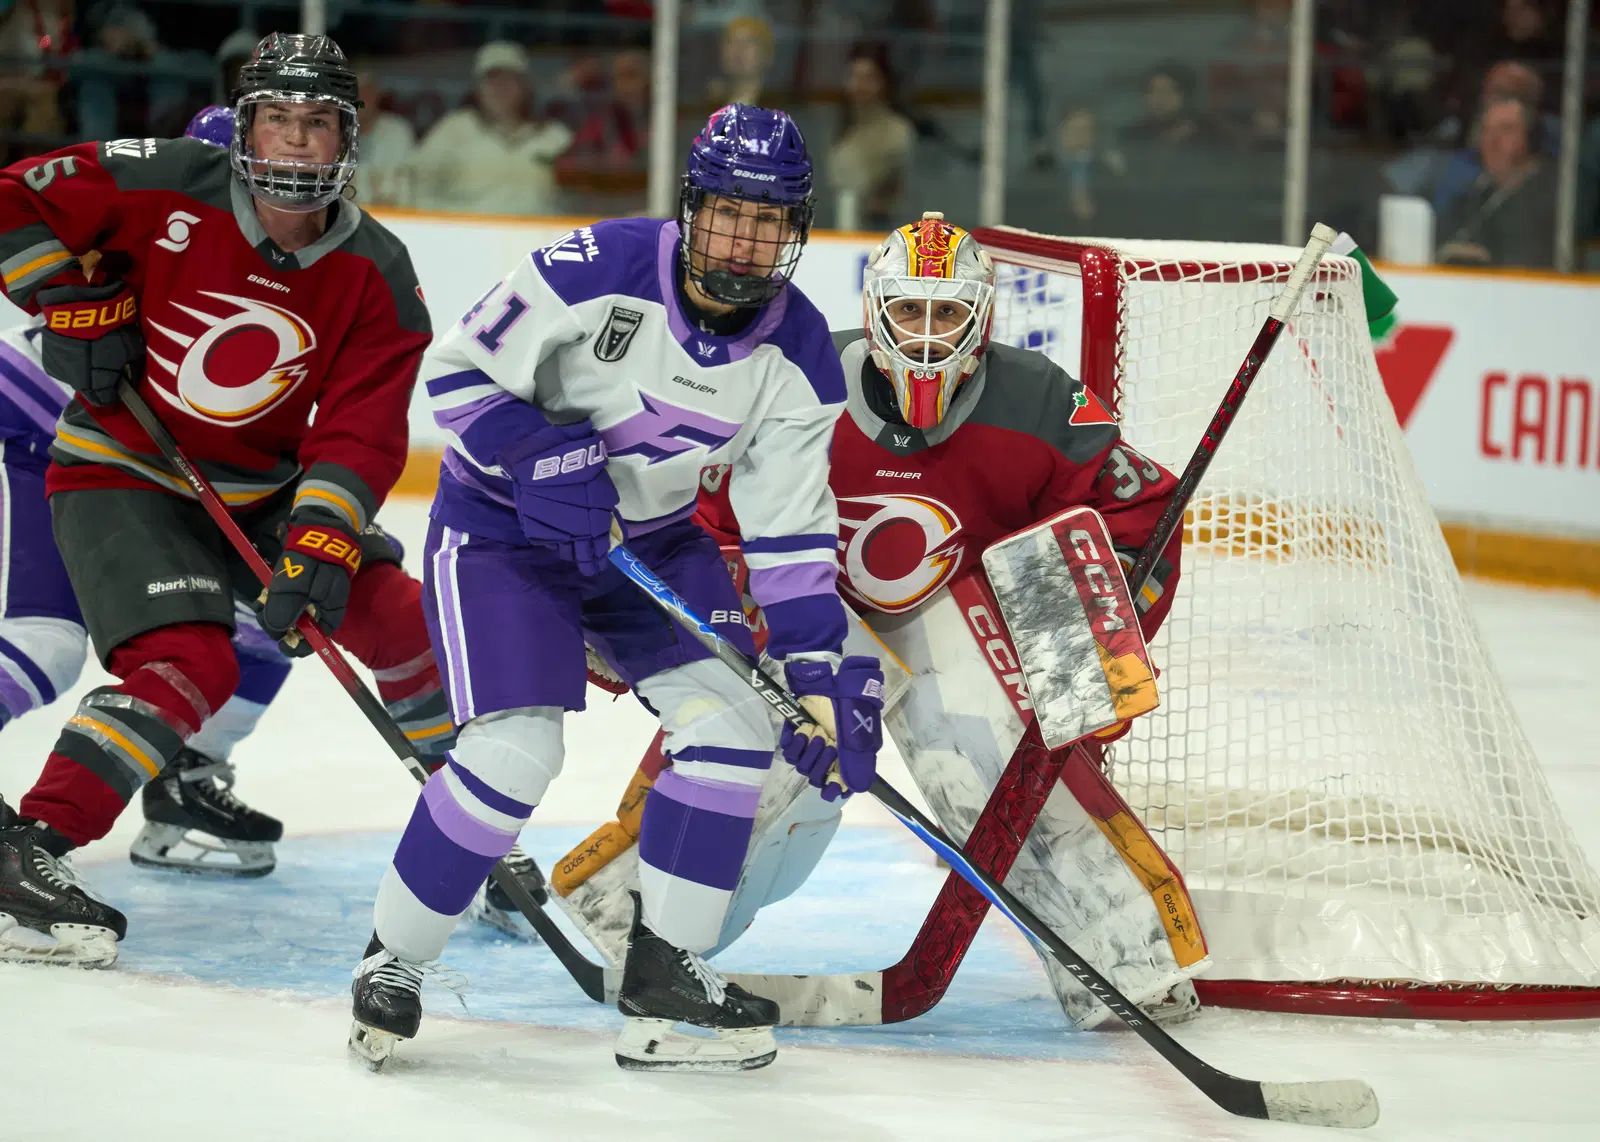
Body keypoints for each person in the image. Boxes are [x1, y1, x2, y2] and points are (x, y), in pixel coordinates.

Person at [552, 213, 1205, 1031]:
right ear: (875, 309)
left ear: (983, 316)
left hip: (957, 608)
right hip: (809, 610)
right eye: (909, 313)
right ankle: (634, 925)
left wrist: (1083, 641)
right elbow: (703, 516)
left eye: (946, 314)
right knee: (760, 742)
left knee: (987, 750)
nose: (927, 337)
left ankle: (1127, 957)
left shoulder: (1039, 398)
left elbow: (1143, 512)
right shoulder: (796, 376)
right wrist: (701, 617)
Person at [349, 103, 882, 1074]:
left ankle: (664, 976)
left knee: (737, 727)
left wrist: (813, 667)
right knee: (514, 750)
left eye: (770, 223)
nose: (747, 241)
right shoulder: (594, 267)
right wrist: (543, 454)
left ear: (795, 232)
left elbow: (792, 532)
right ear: (692, 208)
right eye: (730, 215)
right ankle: (395, 957)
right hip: (503, 530)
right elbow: (458, 377)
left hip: (654, 541)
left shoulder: (799, 357)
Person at [0, 32, 442, 968]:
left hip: (266, 492)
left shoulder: (379, 272)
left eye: (316, 125)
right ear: (245, 127)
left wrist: (322, 539)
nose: (295, 144)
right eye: (278, 120)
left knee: (402, 619)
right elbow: (13, 195)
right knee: (185, 660)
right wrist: (64, 304)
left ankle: (471, 838)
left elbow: (358, 430)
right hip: (124, 471)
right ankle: (29, 850)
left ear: (346, 139)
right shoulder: (167, 180)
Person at [407, 40, 573, 217]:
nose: (501, 87)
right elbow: (413, 184)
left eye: (510, 79)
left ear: (525, 87)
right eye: (492, 79)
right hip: (467, 234)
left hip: (537, 236)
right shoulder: (454, 128)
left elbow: (579, 198)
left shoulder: (554, 135)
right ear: (478, 88)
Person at [1436, 96, 1557, 268]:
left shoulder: (1550, 198)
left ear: (1531, 138)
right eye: (1486, 130)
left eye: (1506, 130)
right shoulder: (1473, 195)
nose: (1492, 140)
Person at [827, 42, 916, 232]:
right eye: (854, 76)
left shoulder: (898, 131)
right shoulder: (840, 129)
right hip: (839, 230)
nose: (859, 85)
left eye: (868, 78)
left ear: (884, 82)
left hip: (880, 234)